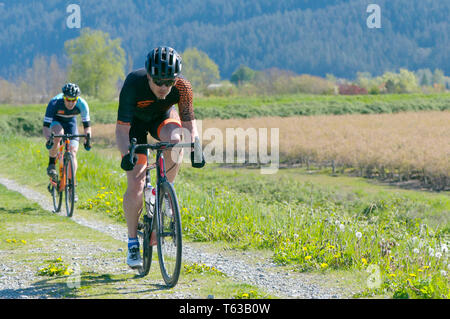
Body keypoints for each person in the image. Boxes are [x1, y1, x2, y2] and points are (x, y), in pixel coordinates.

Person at [116, 46, 205, 269]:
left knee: (177, 138)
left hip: (162, 120)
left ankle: (165, 193)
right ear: (148, 76)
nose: (164, 87)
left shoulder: (183, 87)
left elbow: (189, 124)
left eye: (169, 81)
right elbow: (121, 129)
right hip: (135, 126)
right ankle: (132, 242)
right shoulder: (133, 83)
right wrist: (127, 154)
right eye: (159, 82)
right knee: (136, 183)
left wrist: (196, 146)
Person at [43, 83, 92, 201]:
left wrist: (87, 139)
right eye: (68, 100)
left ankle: (72, 188)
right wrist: (49, 139)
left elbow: (87, 127)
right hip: (56, 121)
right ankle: (51, 164)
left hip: (71, 123)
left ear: (77, 98)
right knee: (58, 135)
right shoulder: (54, 103)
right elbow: (45, 126)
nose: (71, 103)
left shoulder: (82, 104)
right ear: (64, 97)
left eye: (73, 100)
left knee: (73, 152)